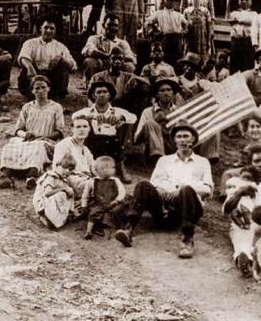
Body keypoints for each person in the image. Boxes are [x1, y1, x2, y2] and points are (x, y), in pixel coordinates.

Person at [122, 120, 213, 258]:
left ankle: (187, 240)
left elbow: (207, 189)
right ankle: (128, 229)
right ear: (174, 141)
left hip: (186, 210)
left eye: (186, 136)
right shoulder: (164, 160)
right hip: (162, 207)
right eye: (179, 137)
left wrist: (181, 191)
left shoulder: (202, 162)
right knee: (143, 185)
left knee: (187, 189)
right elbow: (155, 182)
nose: (182, 140)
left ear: (193, 139)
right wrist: (161, 190)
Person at [0, 75, 66, 189]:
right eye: (37, 88)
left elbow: (59, 132)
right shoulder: (27, 107)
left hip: (46, 141)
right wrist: (25, 134)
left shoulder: (56, 107)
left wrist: (42, 136)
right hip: (28, 139)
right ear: (32, 91)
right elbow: (18, 129)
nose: (40, 91)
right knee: (10, 146)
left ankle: (32, 176)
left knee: (38, 146)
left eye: (43, 87)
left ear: (49, 88)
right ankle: (6, 177)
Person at [223, 150, 261, 278]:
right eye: (256, 161)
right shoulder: (237, 182)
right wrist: (241, 191)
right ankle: (243, 258)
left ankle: (253, 258)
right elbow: (226, 209)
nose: (260, 164)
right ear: (250, 163)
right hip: (243, 223)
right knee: (241, 237)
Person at [74, 80, 137, 183]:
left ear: (109, 95)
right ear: (93, 96)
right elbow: (74, 116)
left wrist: (121, 117)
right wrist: (91, 117)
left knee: (126, 124)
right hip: (93, 146)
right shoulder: (87, 111)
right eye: (98, 92)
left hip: (114, 147)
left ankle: (121, 165)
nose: (102, 95)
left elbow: (133, 117)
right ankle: (88, 166)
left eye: (105, 92)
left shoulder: (117, 111)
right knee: (83, 123)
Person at [218, 115, 261, 199]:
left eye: (258, 127)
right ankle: (227, 197)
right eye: (252, 127)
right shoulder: (246, 149)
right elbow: (242, 167)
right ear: (247, 131)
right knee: (227, 174)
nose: (255, 130)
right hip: (251, 172)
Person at [17, 16, 78, 100]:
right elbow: (23, 57)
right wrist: (29, 67)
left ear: (55, 31)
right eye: (46, 27)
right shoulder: (30, 43)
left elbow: (73, 66)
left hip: (53, 80)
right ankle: (32, 95)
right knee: (26, 65)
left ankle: (57, 95)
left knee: (63, 64)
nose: (48, 31)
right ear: (40, 28)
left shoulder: (61, 47)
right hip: (34, 76)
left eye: (52, 28)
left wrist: (61, 58)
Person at [134, 76, 182, 167]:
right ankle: (158, 159)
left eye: (169, 90)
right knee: (151, 123)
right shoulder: (148, 111)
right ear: (157, 94)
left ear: (173, 93)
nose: (166, 93)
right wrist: (155, 121)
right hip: (153, 147)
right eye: (162, 91)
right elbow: (136, 137)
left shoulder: (178, 111)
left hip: (173, 144)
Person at [82, 156, 130, 245]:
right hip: (100, 204)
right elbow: (86, 195)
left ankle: (121, 229)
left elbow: (122, 191)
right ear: (103, 169)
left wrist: (117, 200)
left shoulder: (115, 180)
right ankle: (89, 231)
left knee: (119, 210)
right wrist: (84, 205)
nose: (114, 170)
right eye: (113, 168)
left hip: (114, 202)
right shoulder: (92, 182)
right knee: (93, 212)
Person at [89, 46, 150, 113]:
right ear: (109, 60)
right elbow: (90, 97)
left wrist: (136, 78)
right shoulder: (97, 76)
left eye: (120, 59)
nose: (117, 61)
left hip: (123, 111)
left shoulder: (128, 76)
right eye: (114, 59)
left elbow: (148, 84)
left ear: (123, 61)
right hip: (103, 110)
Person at [81, 13, 137, 84]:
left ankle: (123, 88)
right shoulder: (94, 38)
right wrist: (106, 55)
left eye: (115, 26)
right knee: (89, 61)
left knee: (129, 66)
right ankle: (93, 86)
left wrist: (117, 58)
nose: (113, 28)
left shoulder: (123, 43)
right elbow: (87, 50)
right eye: (110, 25)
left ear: (118, 27)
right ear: (103, 25)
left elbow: (132, 58)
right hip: (101, 67)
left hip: (117, 68)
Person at [32, 154, 76, 229]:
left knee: (69, 192)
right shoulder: (50, 176)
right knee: (61, 194)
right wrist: (63, 189)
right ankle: (44, 216)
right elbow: (47, 193)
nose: (68, 172)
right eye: (68, 169)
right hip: (43, 201)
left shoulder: (63, 179)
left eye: (70, 170)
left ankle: (66, 215)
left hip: (53, 202)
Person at [146, 0, 186, 66]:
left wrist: (184, 31)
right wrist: (153, 32)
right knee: (165, 59)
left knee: (177, 59)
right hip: (165, 39)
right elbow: (148, 22)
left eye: (172, 0)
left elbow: (187, 24)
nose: (170, 2)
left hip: (177, 40)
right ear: (164, 1)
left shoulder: (178, 15)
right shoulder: (159, 13)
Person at [228, 0, 257, 73]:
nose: (244, 2)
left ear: (250, 2)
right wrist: (228, 4)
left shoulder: (254, 14)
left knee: (247, 65)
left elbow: (251, 21)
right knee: (235, 66)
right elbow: (228, 19)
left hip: (247, 41)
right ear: (238, 1)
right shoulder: (234, 13)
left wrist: (239, 21)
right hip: (236, 41)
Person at [183, 0, 213, 64]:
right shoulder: (187, 11)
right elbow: (183, 25)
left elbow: (209, 26)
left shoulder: (205, 11)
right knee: (191, 55)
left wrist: (209, 40)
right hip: (191, 38)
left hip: (202, 38)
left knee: (202, 57)